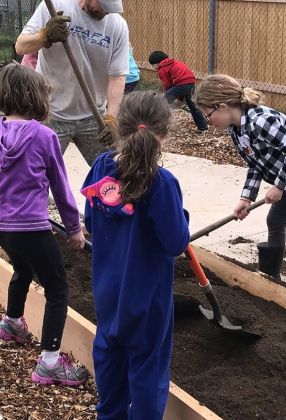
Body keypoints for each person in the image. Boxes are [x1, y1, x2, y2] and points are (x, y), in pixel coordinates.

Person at [0, 63, 90, 386]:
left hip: (1, 228)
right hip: (34, 229)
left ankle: (11, 323)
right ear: (36, 98)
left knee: (22, 271)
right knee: (57, 287)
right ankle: (50, 362)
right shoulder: (45, 136)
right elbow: (61, 187)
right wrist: (74, 229)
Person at [81, 91, 190, 418]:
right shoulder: (162, 183)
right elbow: (175, 243)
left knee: (110, 360)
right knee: (148, 371)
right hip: (147, 304)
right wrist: (181, 218)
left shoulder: (101, 167)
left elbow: (89, 221)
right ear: (165, 135)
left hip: (108, 297)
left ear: (121, 129)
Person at [195, 74, 286, 299]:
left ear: (222, 106)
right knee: (274, 221)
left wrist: (279, 186)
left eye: (208, 114)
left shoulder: (261, 121)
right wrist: (246, 198)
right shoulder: (237, 130)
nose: (209, 120)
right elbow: (255, 163)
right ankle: (271, 282)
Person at [16, 0, 129, 164]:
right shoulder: (57, 6)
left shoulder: (118, 26)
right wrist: (44, 36)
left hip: (93, 115)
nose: (107, 12)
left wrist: (111, 118)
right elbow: (21, 46)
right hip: (49, 113)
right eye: (103, 6)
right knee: (36, 176)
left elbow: (117, 77)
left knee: (111, 174)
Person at [148, 50, 208, 133]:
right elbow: (182, 79)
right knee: (193, 106)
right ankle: (203, 127)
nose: (154, 67)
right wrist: (178, 97)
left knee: (162, 103)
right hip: (191, 83)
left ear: (157, 63)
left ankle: (158, 125)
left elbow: (167, 85)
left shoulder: (162, 69)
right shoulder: (175, 62)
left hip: (181, 85)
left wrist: (167, 95)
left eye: (153, 65)